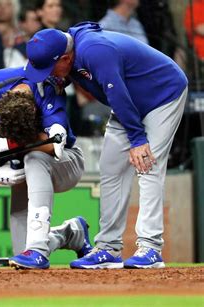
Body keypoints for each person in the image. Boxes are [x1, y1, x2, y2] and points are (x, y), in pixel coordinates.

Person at [22, 23, 188, 269]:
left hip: (162, 94)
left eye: (49, 68)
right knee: (110, 166)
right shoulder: (68, 48)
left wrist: (138, 140)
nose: (46, 73)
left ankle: (151, 247)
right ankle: (108, 247)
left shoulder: (94, 50)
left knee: (147, 164)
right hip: (131, 102)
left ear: (66, 58)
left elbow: (117, 94)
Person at [0, 69, 91, 269]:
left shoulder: (47, 93)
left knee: (33, 156)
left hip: (66, 163)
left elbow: (56, 145)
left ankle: (37, 249)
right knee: (21, 255)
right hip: (22, 167)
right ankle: (70, 233)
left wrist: (10, 144)